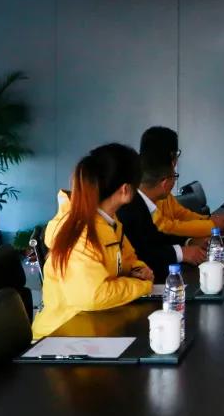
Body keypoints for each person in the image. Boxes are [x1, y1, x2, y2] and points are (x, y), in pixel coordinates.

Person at [32, 143, 153, 339]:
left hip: (92, 326)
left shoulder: (109, 222)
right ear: (125, 190)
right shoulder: (81, 232)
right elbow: (93, 295)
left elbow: (128, 258)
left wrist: (137, 269)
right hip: (60, 336)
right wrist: (142, 285)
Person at [118, 155, 208, 280]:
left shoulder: (141, 202)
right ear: (165, 183)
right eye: (174, 176)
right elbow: (141, 253)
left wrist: (188, 242)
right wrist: (181, 252)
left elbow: (157, 236)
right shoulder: (130, 208)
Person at [138, 127, 224, 237]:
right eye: (176, 154)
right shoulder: (145, 188)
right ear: (171, 156)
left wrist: (208, 220)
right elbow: (165, 227)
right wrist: (212, 226)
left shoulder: (157, 184)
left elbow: (180, 214)